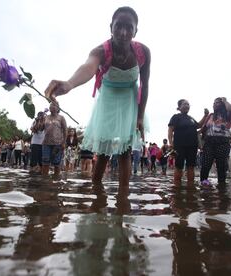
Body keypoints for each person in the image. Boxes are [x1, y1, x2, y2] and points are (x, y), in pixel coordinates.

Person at [44, 6, 151, 187]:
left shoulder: (143, 52)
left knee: (124, 153)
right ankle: (96, 196)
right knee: (103, 152)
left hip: (130, 101)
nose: (123, 32)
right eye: (118, 26)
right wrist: (69, 84)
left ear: (135, 31)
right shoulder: (101, 51)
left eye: (129, 27)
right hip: (107, 100)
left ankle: (122, 203)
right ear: (111, 27)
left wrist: (140, 116)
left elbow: (145, 84)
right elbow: (88, 67)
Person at [168, 99, 209, 186]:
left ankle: (190, 187)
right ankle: (177, 188)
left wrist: (205, 116)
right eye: (184, 104)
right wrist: (171, 143)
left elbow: (199, 126)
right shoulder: (176, 117)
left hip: (192, 146)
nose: (187, 106)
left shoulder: (191, 118)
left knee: (191, 166)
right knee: (179, 166)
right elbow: (170, 130)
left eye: (188, 104)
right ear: (179, 107)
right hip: (180, 145)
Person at [199, 97, 231, 185]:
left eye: (217, 103)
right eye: (214, 103)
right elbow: (202, 130)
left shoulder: (228, 115)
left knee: (221, 166)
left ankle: (221, 186)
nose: (214, 104)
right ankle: (204, 185)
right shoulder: (211, 116)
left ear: (223, 105)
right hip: (209, 143)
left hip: (223, 143)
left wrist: (225, 101)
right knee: (205, 165)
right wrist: (200, 143)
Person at [41, 102, 67, 177]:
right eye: (51, 105)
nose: (52, 107)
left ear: (58, 108)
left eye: (55, 105)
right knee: (45, 161)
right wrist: (39, 120)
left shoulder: (61, 118)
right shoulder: (46, 117)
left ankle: (56, 179)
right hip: (46, 143)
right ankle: (44, 179)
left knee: (56, 162)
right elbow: (41, 128)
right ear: (49, 108)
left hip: (58, 143)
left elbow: (65, 130)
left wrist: (63, 142)